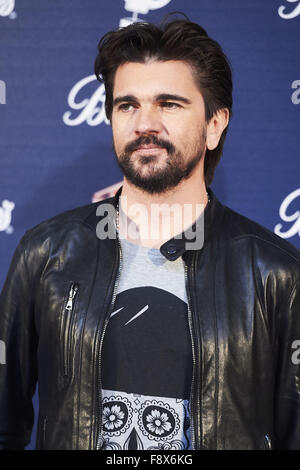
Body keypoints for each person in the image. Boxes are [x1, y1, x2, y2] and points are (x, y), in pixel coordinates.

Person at [0, 18, 299, 451]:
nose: (145, 124)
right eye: (127, 105)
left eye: (169, 104)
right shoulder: (46, 253)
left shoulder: (276, 273)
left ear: (215, 125)